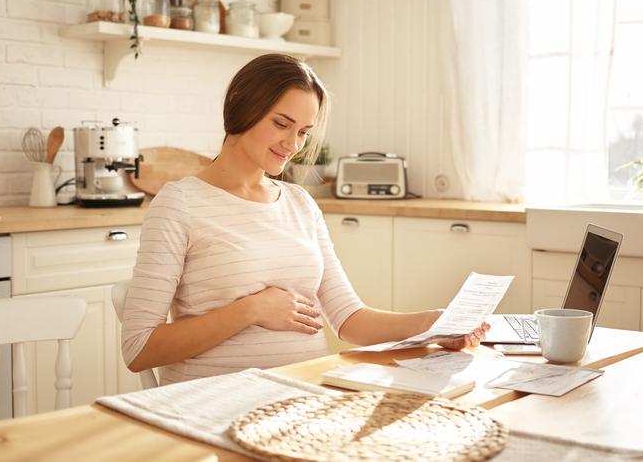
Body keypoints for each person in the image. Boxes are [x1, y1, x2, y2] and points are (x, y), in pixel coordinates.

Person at [121, 54, 489, 385]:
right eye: (282, 124)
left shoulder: (300, 203)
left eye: (303, 132)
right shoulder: (180, 203)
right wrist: (251, 309)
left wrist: (434, 325)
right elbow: (138, 350)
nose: (293, 144)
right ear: (238, 105)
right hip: (214, 403)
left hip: (304, 397)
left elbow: (350, 320)